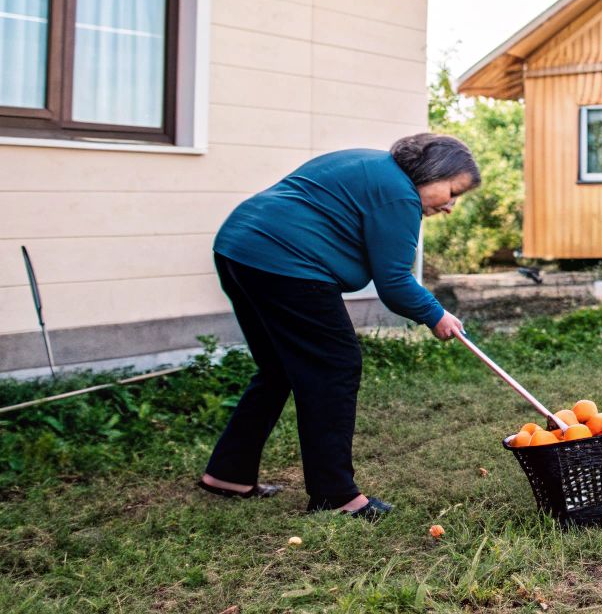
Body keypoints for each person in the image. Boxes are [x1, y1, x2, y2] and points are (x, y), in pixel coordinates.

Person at [195, 133, 475, 519]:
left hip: (238, 248)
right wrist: (435, 314)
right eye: (452, 191)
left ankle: (229, 473)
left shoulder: (371, 165)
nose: (451, 206)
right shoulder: (400, 193)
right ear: (433, 172)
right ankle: (334, 495)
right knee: (335, 367)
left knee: (278, 369)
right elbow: (394, 282)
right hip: (286, 263)